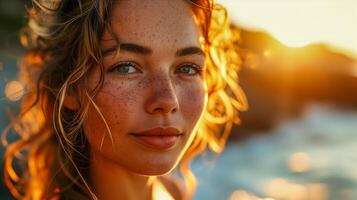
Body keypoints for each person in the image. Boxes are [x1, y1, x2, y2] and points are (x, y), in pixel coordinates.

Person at [3, 0, 247, 199]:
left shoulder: (173, 191)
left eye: (188, 68)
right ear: (70, 88)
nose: (168, 100)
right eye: (127, 67)